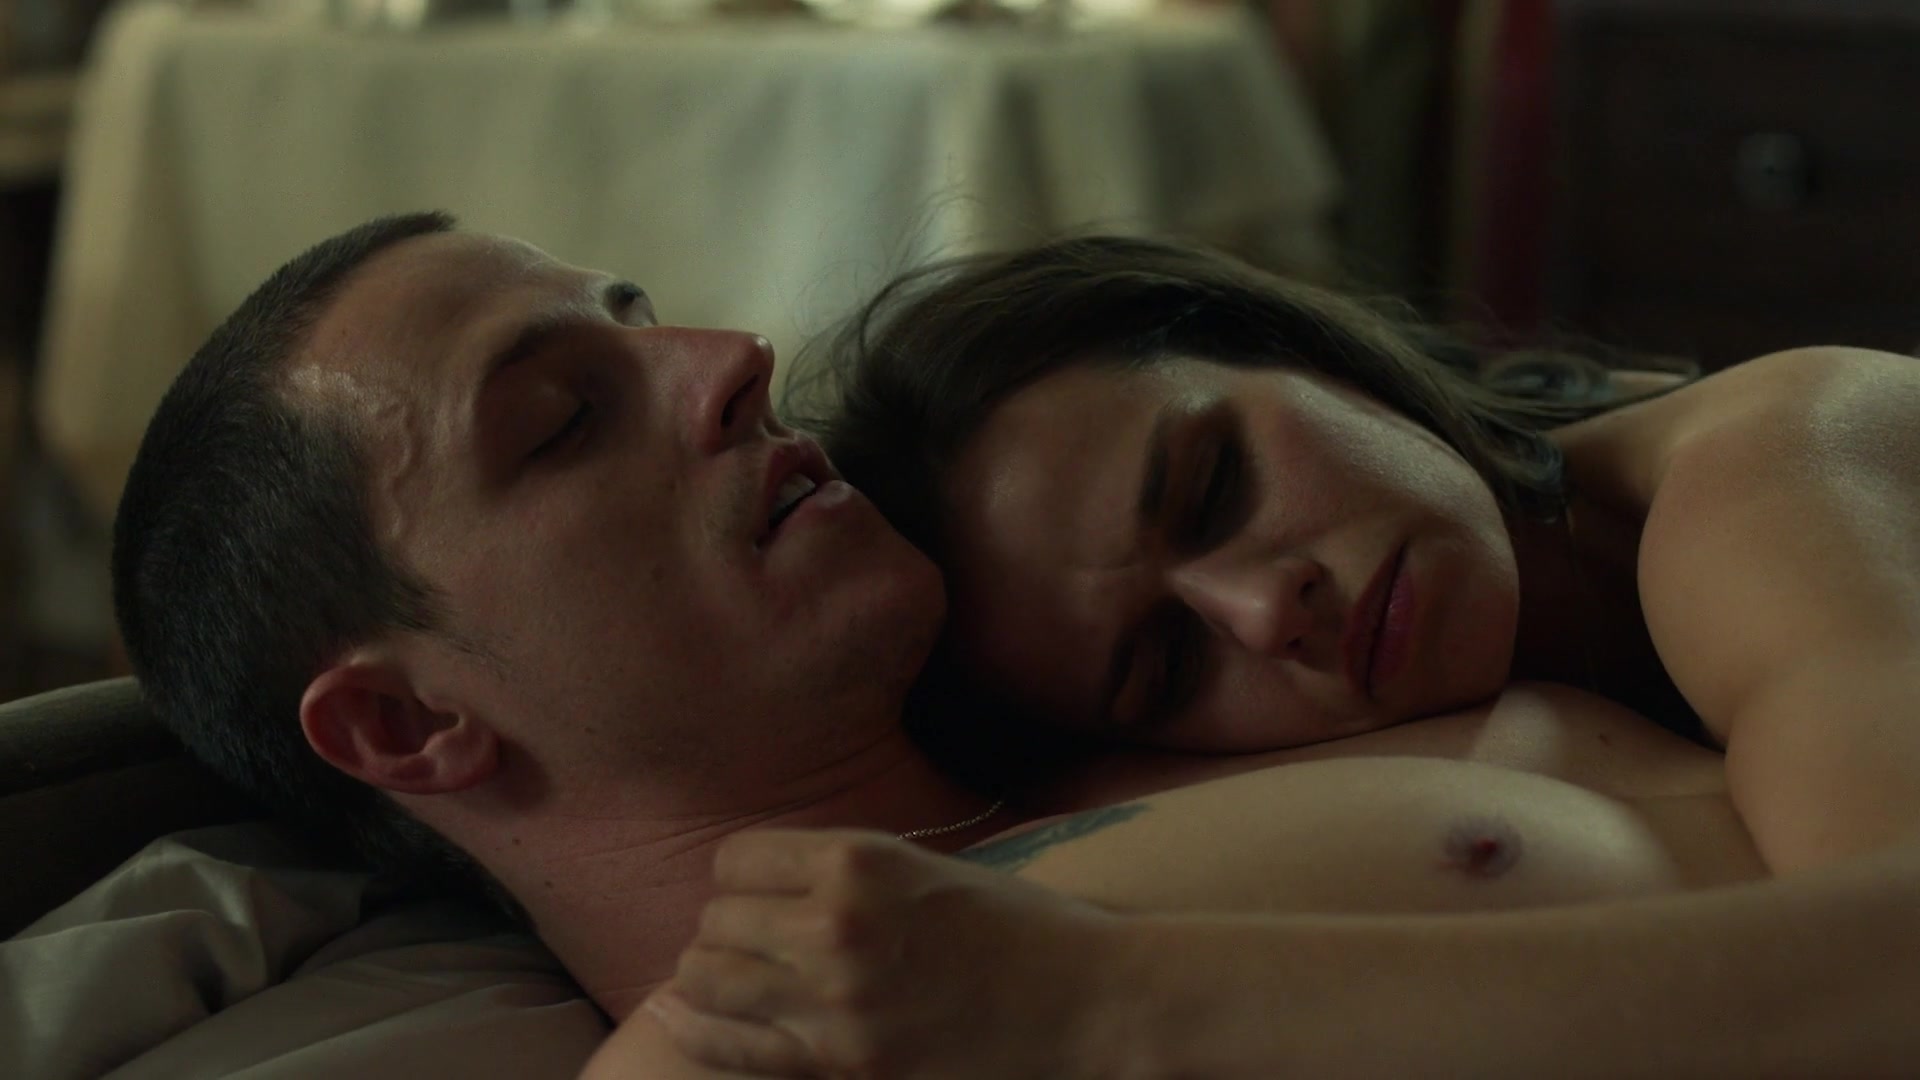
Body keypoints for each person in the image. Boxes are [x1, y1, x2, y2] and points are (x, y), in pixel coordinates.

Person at [108, 217, 1915, 1078]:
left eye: (649, 323)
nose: (731, 360)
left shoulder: (1150, 744)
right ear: (408, 726)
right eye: (567, 421)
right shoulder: (756, 1046)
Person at [639, 236, 1920, 1076]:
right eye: (1167, 666)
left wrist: (1102, 1003)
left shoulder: (1775, 463)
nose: (1264, 612)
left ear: (1294, 350)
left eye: (1213, 487)